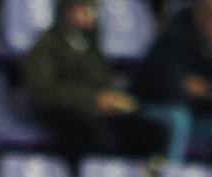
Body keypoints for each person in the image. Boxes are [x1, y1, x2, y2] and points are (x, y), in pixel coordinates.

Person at [19, 0, 165, 158]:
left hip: (95, 111)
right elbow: (45, 93)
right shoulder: (45, 46)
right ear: (68, 11)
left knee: (151, 132)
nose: (90, 15)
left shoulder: (91, 45)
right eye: (85, 9)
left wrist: (113, 99)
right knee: (96, 136)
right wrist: (92, 99)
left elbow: (103, 80)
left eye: (92, 10)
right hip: (62, 112)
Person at [136, 0, 212, 171]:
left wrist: (206, 91)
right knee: (178, 118)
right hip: (154, 113)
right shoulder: (173, 38)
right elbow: (169, 91)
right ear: (200, 17)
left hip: (200, 118)